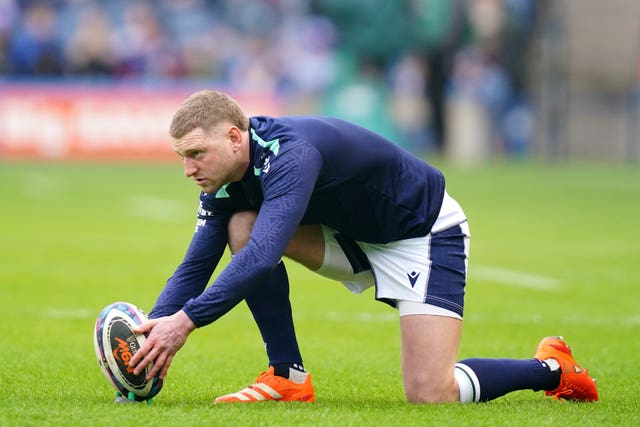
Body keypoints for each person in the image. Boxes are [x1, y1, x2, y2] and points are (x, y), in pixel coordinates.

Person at [128, 89, 598, 404]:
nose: (188, 169)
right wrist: (149, 338)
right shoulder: (223, 180)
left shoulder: (290, 154)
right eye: (181, 157)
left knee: (430, 393)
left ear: (234, 137)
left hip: (421, 233)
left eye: (195, 154)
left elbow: (263, 257)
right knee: (242, 226)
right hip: (350, 237)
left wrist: (185, 323)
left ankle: (551, 369)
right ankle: (287, 376)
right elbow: (194, 267)